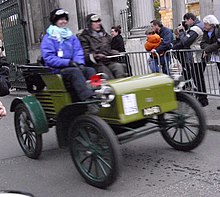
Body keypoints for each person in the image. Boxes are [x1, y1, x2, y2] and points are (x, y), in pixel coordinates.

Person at [41, 8, 96, 103]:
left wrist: (79, 63)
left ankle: (97, 92)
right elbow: (49, 57)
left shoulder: (71, 36)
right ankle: (88, 99)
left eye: (65, 19)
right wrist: (68, 62)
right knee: (74, 72)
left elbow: (78, 51)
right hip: (57, 69)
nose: (64, 21)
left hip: (72, 65)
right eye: (61, 19)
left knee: (90, 70)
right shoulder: (49, 38)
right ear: (55, 21)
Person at [78, 13, 126, 80]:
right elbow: (85, 53)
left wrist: (114, 52)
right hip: (95, 64)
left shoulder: (105, 35)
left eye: (99, 21)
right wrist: (96, 56)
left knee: (119, 67)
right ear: (89, 24)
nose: (98, 24)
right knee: (106, 74)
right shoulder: (84, 37)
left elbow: (111, 47)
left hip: (108, 61)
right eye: (95, 22)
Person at [176, 12, 208, 107]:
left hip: (196, 57)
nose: (185, 23)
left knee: (198, 78)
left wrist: (182, 32)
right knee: (197, 77)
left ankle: (202, 99)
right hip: (199, 56)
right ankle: (200, 98)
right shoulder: (199, 26)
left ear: (190, 19)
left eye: (186, 21)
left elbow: (186, 41)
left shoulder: (196, 28)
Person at [200, 15, 220, 109]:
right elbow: (202, 43)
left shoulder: (218, 29)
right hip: (216, 57)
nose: (204, 26)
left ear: (211, 24)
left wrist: (207, 50)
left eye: (206, 24)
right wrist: (210, 48)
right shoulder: (206, 32)